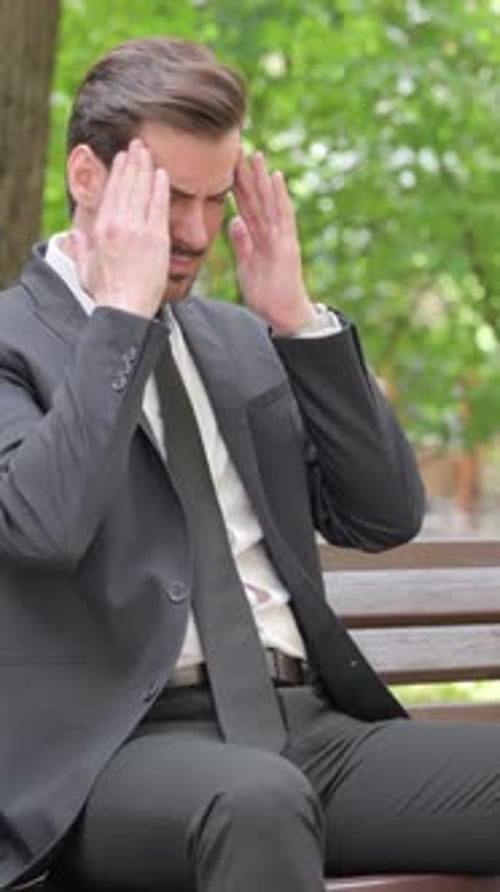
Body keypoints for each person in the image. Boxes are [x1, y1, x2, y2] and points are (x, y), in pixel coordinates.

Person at [0, 36, 498, 892]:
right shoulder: (14, 344)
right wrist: (122, 315)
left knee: (270, 791)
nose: (196, 234)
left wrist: (298, 320)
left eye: (213, 200)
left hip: (306, 728)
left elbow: (381, 518)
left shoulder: (236, 341)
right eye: (170, 200)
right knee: (256, 802)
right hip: (114, 754)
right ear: (89, 178)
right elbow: (45, 526)